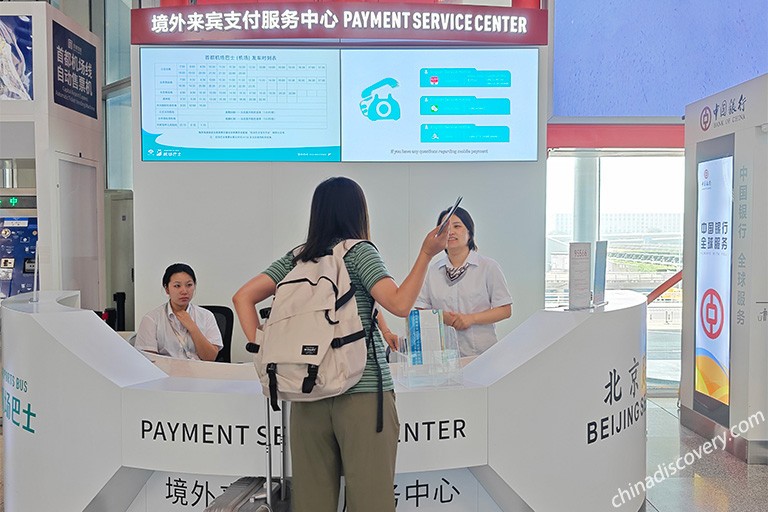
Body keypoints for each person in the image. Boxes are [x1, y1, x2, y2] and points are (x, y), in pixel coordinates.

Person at [232, 177, 448, 512]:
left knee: (312, 503)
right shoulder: (360, 251)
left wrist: (264, 348)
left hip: (306, 391)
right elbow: (400, 303)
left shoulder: (296, 258)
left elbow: (242, 297)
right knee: (370, 501)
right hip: (363, 393)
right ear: (358, 212)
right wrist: (426, 253)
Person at [414, 206, 512, 357]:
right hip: (444, 357)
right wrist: (440, 316)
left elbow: (505, 310)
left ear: (470, 233)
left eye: (457, 226)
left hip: (482, 354)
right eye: (445, 228)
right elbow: (420, 310)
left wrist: (470, 319)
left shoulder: (488, 267)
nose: (451, 232)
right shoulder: (433, 270)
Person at [135, 263, 223, 361]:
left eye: (189, 285)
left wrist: (192, 328)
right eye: (177, 286)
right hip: (167, 374)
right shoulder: (152, 319)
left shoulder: (206, 316)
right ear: (167, 289)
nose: (184, 291)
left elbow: (210, 358)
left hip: (200, 373)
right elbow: (148, 360)